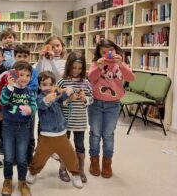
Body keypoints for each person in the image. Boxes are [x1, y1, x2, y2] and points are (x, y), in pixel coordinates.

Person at [26, 71, 84, 190]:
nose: (48, 87)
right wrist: (47, 99)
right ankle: (32, 172)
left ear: (54, 85)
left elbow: (64, 95)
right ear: (39, 86)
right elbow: (41, 105)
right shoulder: (39, 98)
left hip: (62, 135)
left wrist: (69, 90)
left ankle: (76, 174)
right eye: (44, 84)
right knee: (39, 158)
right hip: (46, 137)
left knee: (70, 156)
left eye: (51, 84)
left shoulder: (56, 94)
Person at [87, 39, 134, 178]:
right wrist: (99, 67)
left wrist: (121, 64)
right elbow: (91, 78)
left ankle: (107, 162)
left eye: (110, 50)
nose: (108, 54)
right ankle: (94, 160)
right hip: (95, 103)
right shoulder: (96, 64)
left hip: (113, 104)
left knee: (108, 134)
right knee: (95, 133)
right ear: (99, 53)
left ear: (115, 50)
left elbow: (131, 78)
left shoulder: (120, 64)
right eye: (104, 52)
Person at [0, 61, 37, 196]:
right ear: (14, 75)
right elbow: (2, 102)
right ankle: (7, 181)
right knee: (8, 157)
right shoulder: (7, 88)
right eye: (21, 75)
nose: (25, 78)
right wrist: (9, 88)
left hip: (24, 128)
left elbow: (34, 107)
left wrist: (30, 110)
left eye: (28, 75)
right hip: (8, 127)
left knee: (22, 158)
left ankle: (22, 182)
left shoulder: (30, 92)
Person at [57, 51, 93, 183]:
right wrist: (68, 100)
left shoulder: (86, 83)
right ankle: (62, 169)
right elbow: (57, 101)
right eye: (73, 68)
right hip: (64, 121)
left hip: (79, 122)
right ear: (68, 66)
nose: (76, 71)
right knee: (65, 146)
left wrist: (85, 99)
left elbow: (92, 99)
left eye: (79, 68)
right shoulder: (62, 82)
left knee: (80, 146)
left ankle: (79, 170)